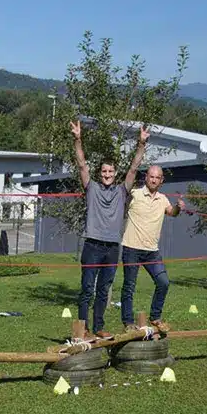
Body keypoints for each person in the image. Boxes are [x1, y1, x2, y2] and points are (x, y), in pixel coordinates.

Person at [72, 121, 148, 337]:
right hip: (92, 245)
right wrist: (78, 139)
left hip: (113, 248)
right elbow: (81, 165)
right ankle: (83, 329)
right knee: (87, 289)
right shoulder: (92, 188)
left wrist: (141, 144)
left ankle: (98, 328)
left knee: (103, 290)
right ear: (100, 173)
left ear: (115, 173)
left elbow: (134, 167)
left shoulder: (122, 190)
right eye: (104, 171)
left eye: (111, 171)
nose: (107, 174)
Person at [120, 165, 185, 332]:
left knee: (163, 282)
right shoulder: (134, 194)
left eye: (157, 177)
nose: (154, 179)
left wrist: (179, 207)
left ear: (161, 180)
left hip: (151, 252)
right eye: (151, 176)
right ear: (146, 177)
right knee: (129, 286)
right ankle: (128, 323)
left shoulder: (163, 199)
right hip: (131, 248)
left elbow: (172, 212)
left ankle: (155, 317)